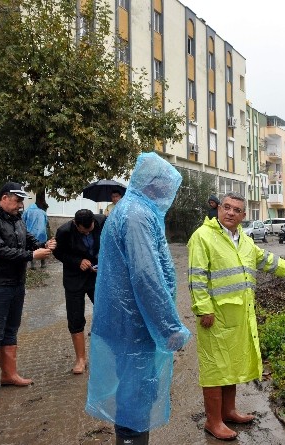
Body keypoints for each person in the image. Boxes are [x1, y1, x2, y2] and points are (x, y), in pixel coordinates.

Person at [188, 192, 285, 441]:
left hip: (240, 315)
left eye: (236, 210)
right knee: (215, 368)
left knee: (232, 364)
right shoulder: (203, 236)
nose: (231, 212)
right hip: (215, 317)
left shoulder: (243, 239)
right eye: (226, 207)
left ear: (244, 216)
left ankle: (229, 411)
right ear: (219, 209)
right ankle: (213, 421)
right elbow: (196, 275)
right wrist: (204, 309)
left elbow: (264, 259)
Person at [86, 152, 191, 445]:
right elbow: (147, 277)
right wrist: (169, 328)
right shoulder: (137, 216)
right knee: (135, 394)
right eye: (167, 186)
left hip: (130, 323)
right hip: (135, 325)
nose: (169, 193)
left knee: (136, 392)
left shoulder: (132, 209)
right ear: (154, 184)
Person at [0, 182, 56, 399]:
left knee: (11, 330)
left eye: (22, 201)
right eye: (17, 200)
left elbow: (27, 240)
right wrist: (31, 256)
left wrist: (43, 245)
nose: (21, 205)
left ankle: (9, 375)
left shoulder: (16, 219)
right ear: (3, 198)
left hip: (16, 283)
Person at [53, 209, 106, 375]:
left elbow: (110, 244)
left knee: (106, 312)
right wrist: (77, 261)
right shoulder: (64, 231)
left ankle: (106, 355)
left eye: (90, 230)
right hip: (74, 278)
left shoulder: (103, 222)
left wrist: (103, 263)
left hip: (96, 276)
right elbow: (58, 252)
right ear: (76, 225)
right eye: (83, 231)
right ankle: (80, 359)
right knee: (75, 317)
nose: (87, 233)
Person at [21, 201, 49, 269]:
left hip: (30, 233)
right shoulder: (43, 212)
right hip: (42, 233)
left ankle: (33, 265)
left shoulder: (27, 211)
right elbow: (46, 223)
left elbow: (22, 222)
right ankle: (43, 264)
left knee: (31, 249)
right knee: (43, 247)